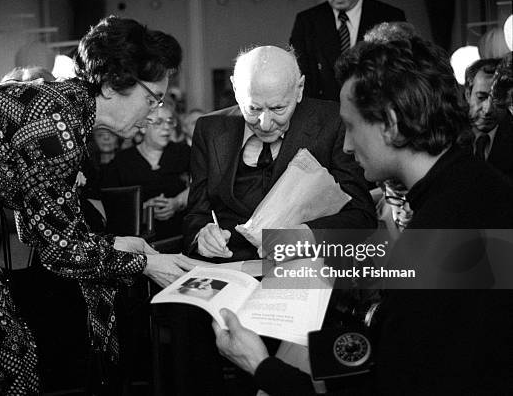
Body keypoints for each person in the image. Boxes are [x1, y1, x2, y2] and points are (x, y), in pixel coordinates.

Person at [0, 15, 209, 393]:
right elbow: (60, 252)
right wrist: (147, 263)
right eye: (151, 98)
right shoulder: (55, 125)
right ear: (113, 85)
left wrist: (121, 245)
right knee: (4, 355)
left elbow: (39, 229)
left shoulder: (65, 111)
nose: (154, 112)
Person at [213, 33, 513, 396]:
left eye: (352, 127)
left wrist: (260, 365)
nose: (347, 145)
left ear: (389, 123)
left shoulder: (444, 226)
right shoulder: (474, 187)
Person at [183, 45, 376, 262]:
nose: (265, 125)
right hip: (227, 269)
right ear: (235, 89)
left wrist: (305, 235)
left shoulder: (333, 122)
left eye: (278, 109)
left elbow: (362, 216)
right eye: (253, 109)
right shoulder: (208, 129)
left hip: (306, 267)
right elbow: (196, 215)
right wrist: (202, 235)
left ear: (300, 88)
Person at [290, 0, 405, 101]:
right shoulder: (306, 21)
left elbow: (400, 76)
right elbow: (299, 76)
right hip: (326, 112)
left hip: (377, 110)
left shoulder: (391, 17)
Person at [103, 103, 190, 240]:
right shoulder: (123, 160)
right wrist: (143, 209)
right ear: (143, 127)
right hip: (137, 238)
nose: (166, 127)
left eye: (170, 121)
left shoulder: (183, 152)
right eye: (159, 122)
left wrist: (177, 202)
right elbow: (111, 202)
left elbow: (201, 185)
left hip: (180, 234)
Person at [464, 57, 513, 184]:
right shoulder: (448, 135)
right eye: (481, 97)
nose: (488, 109)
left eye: (497, 100)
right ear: (468, 95)